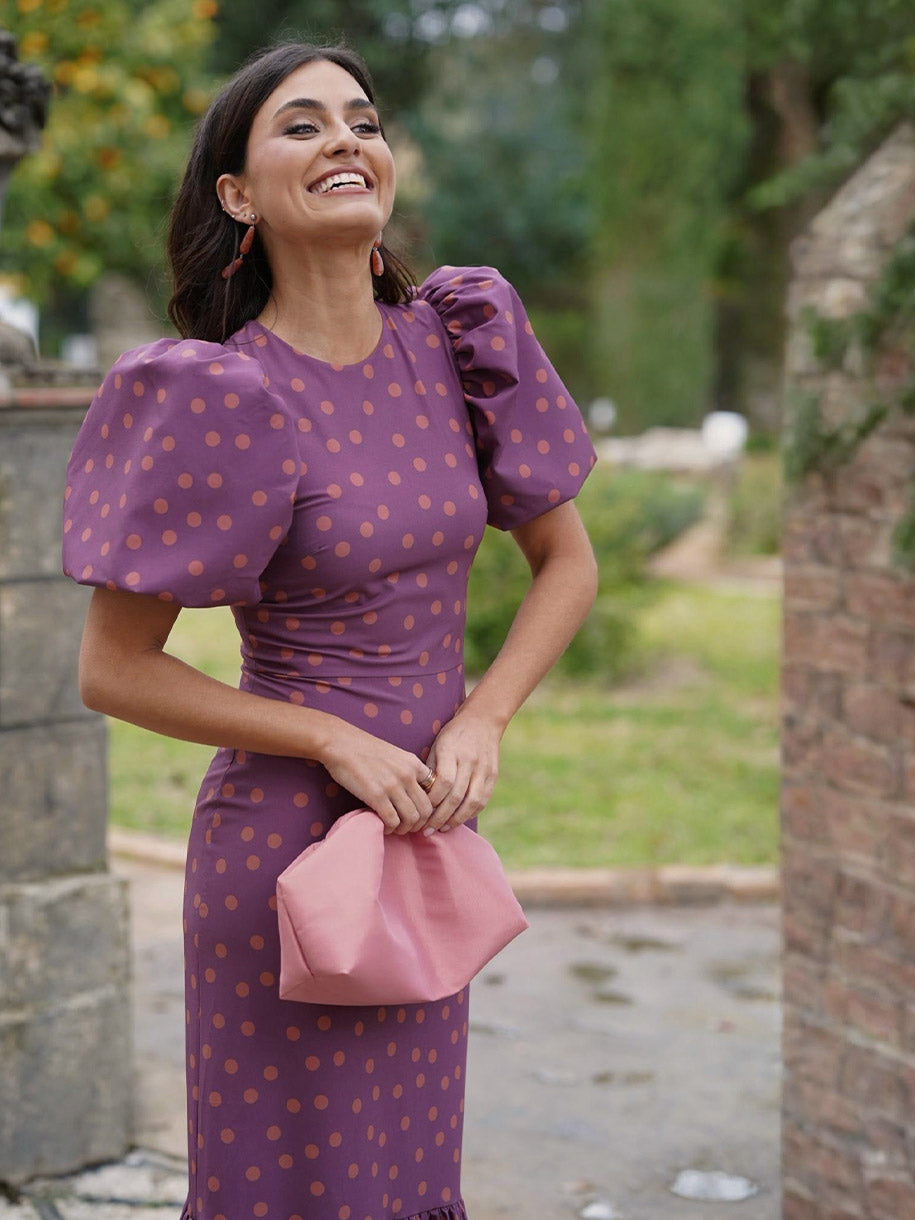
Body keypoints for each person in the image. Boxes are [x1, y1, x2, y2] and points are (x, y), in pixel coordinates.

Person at [62, 40, 598, 1220]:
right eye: (300, 125)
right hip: (285, 855)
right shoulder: (220, 394)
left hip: (423, 842)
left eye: (362, 119)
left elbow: (567, 563)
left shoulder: (460, 340)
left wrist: (485, 714)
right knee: (299, 1186)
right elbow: (112, 668)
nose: (346, 139)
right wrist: (329, 739)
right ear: (237, 196)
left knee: (403, 1175)